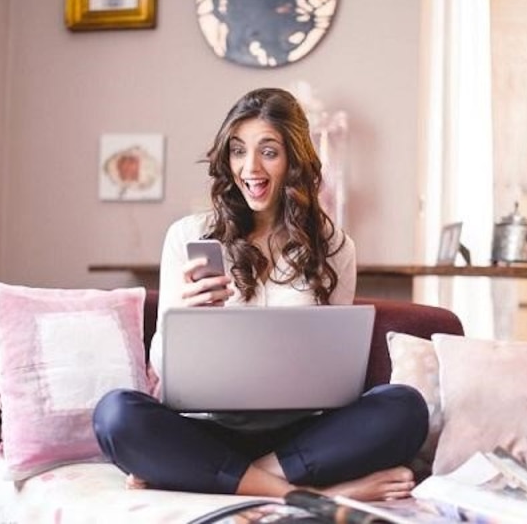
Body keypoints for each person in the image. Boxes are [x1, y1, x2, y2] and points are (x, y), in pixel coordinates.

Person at [92, 87, 428, 501]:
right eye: (237, 151)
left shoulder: (335, 246)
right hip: (210, 430)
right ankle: (317, 495)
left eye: (268, 151)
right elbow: (164, 375)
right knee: (116, 416)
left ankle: (223, 478)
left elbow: (340, 377)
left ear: (294, 159)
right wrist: (185, 312)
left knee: (406, 408)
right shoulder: (187, 236)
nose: (249, 167)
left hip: (300, 439)